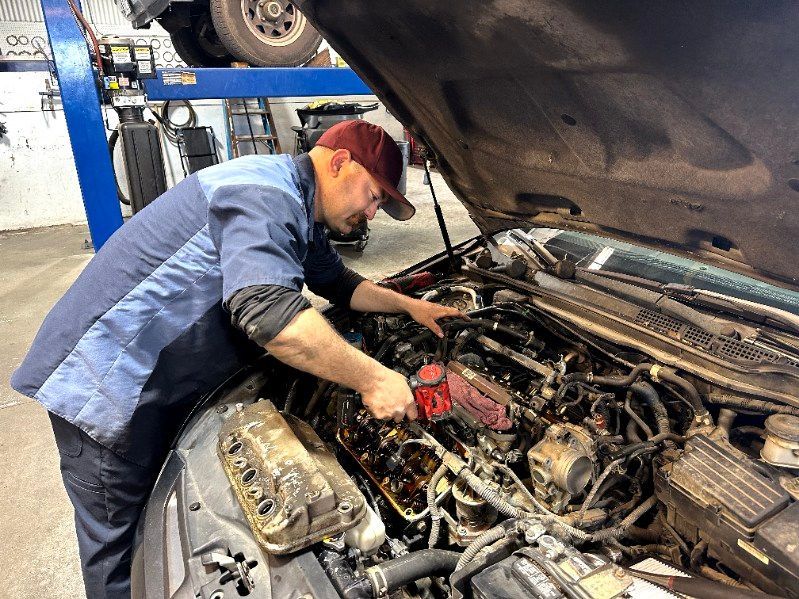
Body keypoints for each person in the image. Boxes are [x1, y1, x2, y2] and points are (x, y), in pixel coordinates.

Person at [11, 120, 464, 598]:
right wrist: (373, 379)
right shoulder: (265, 194)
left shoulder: (298, 205)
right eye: (374, 196)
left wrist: (409, 306)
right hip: (106, 388)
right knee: (122, 555)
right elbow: (269, 315)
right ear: (338, 163)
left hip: (159, 382)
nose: (372, 213)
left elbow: (339, 283)